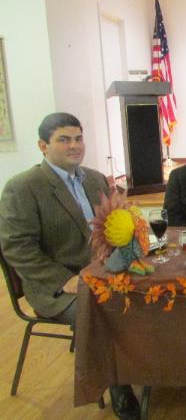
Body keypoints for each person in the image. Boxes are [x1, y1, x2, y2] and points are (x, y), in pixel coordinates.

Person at [0, 113, 140, 420]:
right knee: (102, 309)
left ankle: (145, 364)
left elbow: (111, 227)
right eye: (64, 139)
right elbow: (16, 247)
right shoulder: (22, 187)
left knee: (152, 293)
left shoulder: (94, 178)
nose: (74, 146)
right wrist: (63, 280)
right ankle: (119, 384)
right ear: (43, 145)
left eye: (78, 138)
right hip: (59, 287)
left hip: (104, 271)